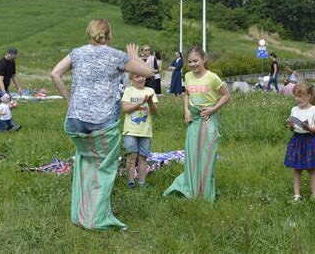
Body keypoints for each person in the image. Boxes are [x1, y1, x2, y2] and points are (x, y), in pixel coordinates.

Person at [50, 19, 154, 230]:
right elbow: (148, 72)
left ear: (89, 34)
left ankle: (81, 214)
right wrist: (133, 55)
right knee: (104, 169)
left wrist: (70, 101)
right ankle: (95, 219)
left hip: (75, 121)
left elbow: (55, 73)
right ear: (109, 35)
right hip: (102, 123)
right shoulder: (116, 55)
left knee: (85, 163)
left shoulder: (77, 53)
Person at [163, 46, 230, 202]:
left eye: (196, 61)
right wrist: (186, 110)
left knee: (207, 155)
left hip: (208, 118)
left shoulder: (213, 77)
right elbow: (187, 94)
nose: (193, 64)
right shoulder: (187, 76)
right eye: (190, 61)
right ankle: (192, 190)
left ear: (204, 59)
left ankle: (205, 193)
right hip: (193, 119)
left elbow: (226, 96)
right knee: (192, 154)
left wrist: (212, 110)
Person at [285, 82, 315, 202]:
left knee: (311, 169)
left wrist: (309, 128)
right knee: (297, 169)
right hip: (297, 140)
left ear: (308, 96)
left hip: (310, 141)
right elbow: (292, 128)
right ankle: (297, 195)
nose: (297, 99)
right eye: (296, 96)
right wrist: (291, 126)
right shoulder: (294, 109)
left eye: (300, 96)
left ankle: (314, 195)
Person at [122, 73, 158, 189]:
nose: (141, 78)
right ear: (131, 79)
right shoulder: (128, 91)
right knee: (132, 157)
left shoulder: (150, 90)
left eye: (143, 76)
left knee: (143, 157)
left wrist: (150, 102)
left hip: (145, 132)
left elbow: (154, 112)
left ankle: (142, 182)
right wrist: (139, 102)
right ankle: (130, 182)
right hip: (130, 131)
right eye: (137, 76)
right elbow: (125, 109)